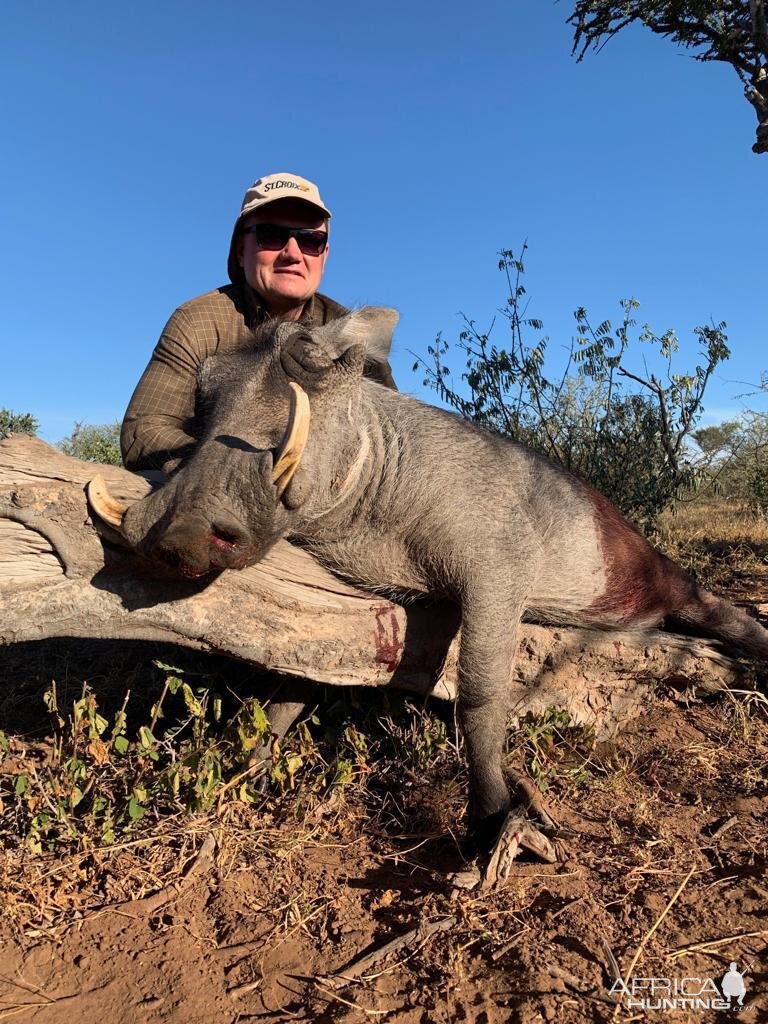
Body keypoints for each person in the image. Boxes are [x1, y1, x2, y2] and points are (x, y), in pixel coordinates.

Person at [121, 172, 397, 474]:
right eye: (271, 236)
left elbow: (396, 441)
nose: (292, 253)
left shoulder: (350, 329)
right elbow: (143, 429)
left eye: (310, 240)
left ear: (324, 255)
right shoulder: (197, 320)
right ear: (241, 251)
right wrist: (230, 471)